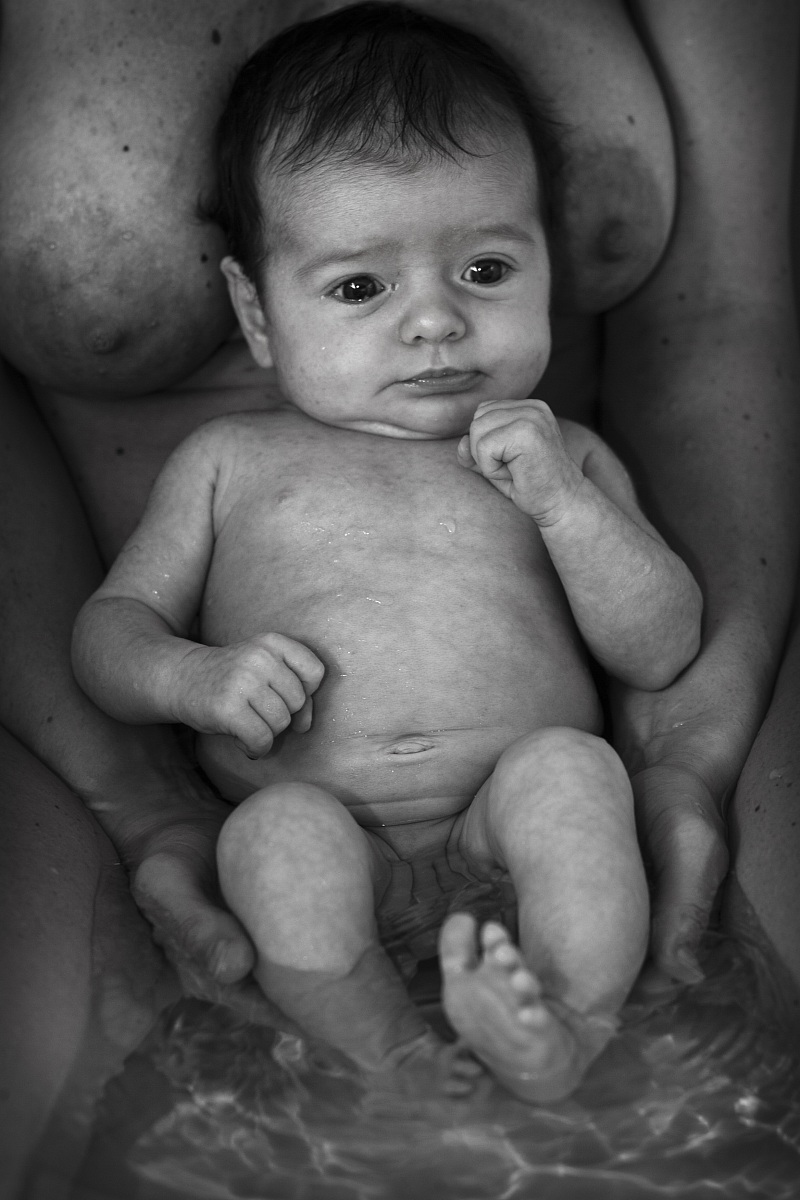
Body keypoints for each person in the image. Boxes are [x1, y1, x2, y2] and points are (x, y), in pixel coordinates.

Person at [0, 0, 798, 1183]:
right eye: (359, 290)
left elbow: (659, 644)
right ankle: (388, 1069)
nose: (434, 319)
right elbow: (109, 638)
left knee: (577, 784)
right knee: (276, 845)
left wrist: (573, 514)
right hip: (315, 814)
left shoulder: (554, 454)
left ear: (541, 264)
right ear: (256, 318)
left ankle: (555, 1029)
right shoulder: (226, 466)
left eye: (484, 269)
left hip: (505, 800)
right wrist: (198, 678)